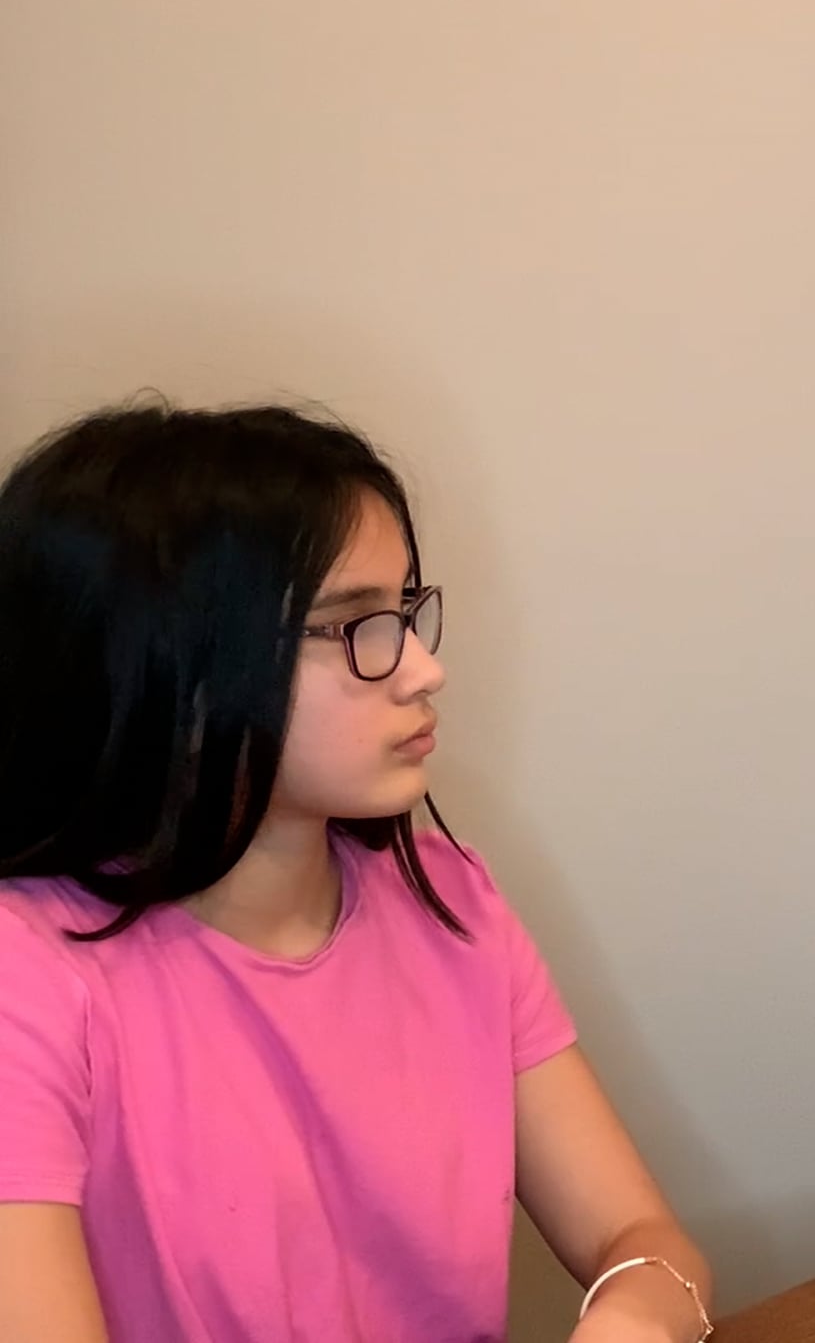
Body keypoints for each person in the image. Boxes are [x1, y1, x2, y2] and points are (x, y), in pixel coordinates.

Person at [0, 403, 714, 1342]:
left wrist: (635, 1319)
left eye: (407, 613)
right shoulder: (29, 978)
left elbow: (645, 1243)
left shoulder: (451, 901)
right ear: (174, 666)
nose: (423, 670)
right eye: (355, 626)